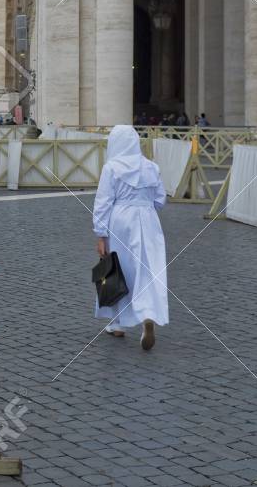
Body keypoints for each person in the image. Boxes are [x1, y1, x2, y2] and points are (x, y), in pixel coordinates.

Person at [92, 125, 168, 351]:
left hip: (121, 220)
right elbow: (160, 200)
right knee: (148, 269)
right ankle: (148, 315)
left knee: (119, 270)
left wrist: (100, 234)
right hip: (149, 219)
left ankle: (118, 324)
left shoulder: (112, 168)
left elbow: (103, 201)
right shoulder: (152, 167)